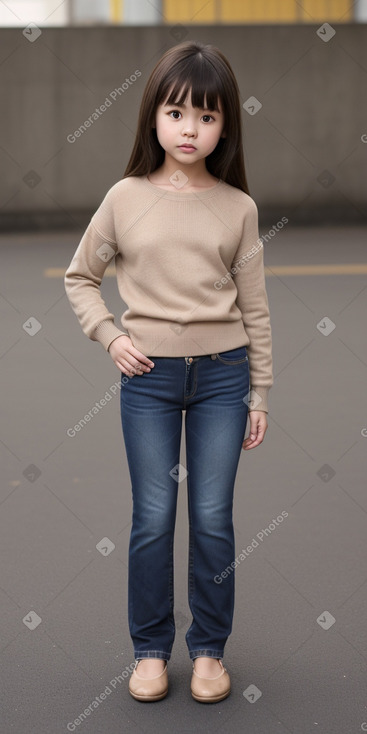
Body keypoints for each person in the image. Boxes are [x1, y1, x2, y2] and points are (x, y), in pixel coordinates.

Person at [64, 39, 273, 704]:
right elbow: (80, 278)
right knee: (153, 517)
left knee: (212, 518)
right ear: (152, 116)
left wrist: (260, 391)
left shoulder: (237, 207)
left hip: (222, 379)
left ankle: (208, 652)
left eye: (207, 117)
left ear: (224, 126)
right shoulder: (124, 198)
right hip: (147, 380)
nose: (190, 129)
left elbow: (256, 309)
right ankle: (150, 652)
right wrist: (109, 334)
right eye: (177, 112)